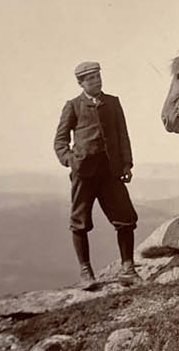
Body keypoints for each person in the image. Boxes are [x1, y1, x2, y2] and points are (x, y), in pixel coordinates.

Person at [54, 61, 140, 288]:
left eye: (98, 76)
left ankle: (128, 269)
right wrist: (71, 161)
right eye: (90, 78)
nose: (96, 81)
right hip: (84, 174)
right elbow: (60, 141)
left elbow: (123, 135)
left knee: (126, 218)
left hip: (111, 173)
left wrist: (127, 164)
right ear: (81, 83)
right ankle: (86, 273)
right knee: (79, 222)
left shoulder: (112, 103)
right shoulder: (73, 106)